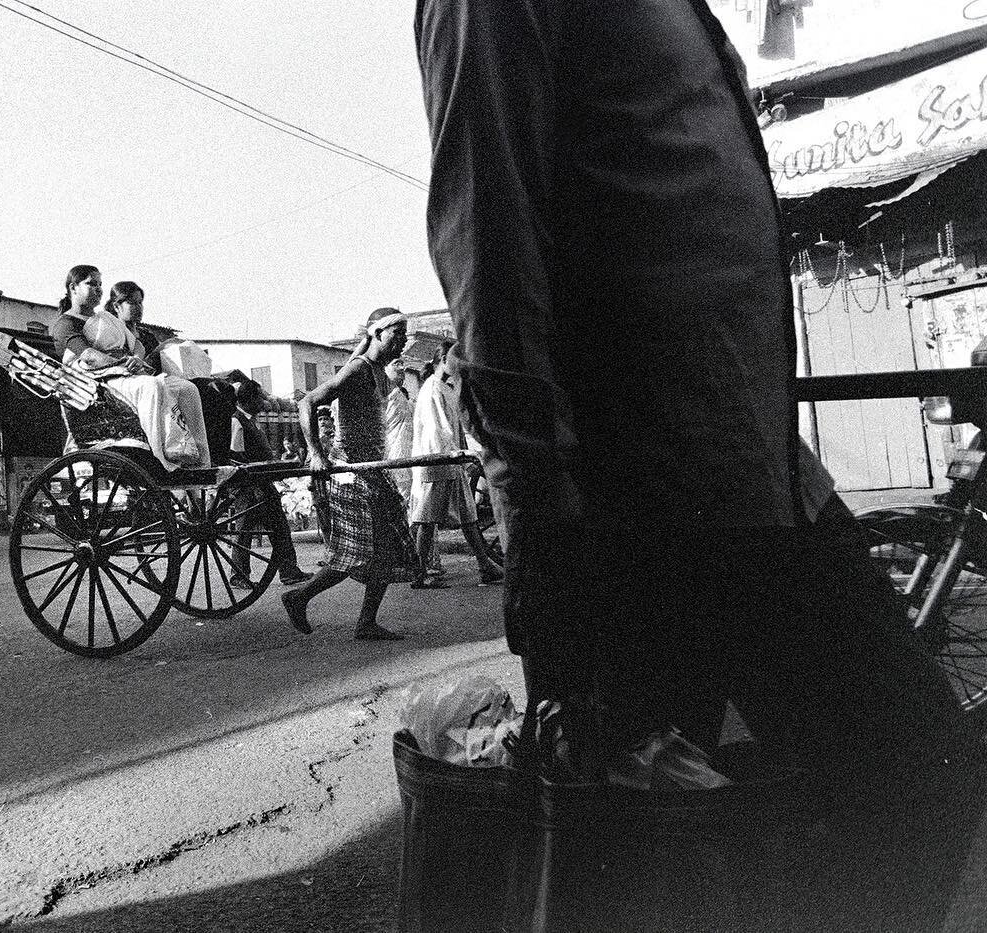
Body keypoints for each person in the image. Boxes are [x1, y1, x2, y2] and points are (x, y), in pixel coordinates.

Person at [415, 0, 968, 852]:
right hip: (633, 511)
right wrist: (543, 529)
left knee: (909, 776)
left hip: (760, 477)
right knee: (647, 855)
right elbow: (490, 243)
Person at [282, 308, 419, 641]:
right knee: (352, 553)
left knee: (386, 549)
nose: (401, 341)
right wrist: (315, 453)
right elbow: (309, 402)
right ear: (376, 333)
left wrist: (366, 344)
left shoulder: (375, 370)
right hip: (350, 472)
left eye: (404, 334)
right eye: (395, 333)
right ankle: (298, 596)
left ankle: (366, 623)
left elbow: (364, 355)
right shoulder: (358, 370)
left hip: (373, 470)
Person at [49, 265, 211, 470]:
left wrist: (135, 359)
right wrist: (121, 365)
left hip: (126, 373)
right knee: (151, 386)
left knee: (188, 389)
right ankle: (161, 458)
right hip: (98, 383)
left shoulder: (107, 319)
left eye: (100, 284)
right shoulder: (66, 323)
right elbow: (88, 355)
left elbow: (138, 346)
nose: (98, 289)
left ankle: (201, 461)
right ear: (73, 287)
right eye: (91, 283)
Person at [409, 342, 504, 588]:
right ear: (444, 361)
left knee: (468, 514)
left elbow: (458, 426)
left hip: (453, 460)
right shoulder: (431, 389)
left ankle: (485, 566)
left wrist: (467, 452)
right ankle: (419, 573)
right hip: (435, 460)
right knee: (427, 519)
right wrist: (458, 452)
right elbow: (437, 430)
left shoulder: (447, 388)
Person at [226, 380, 310, 587]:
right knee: (244, 531)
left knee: (280, 526)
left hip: (261, 480)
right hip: (247, 484)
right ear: (250, 399)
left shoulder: (251, 420)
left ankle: (289, 570)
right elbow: (236, 456)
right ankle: (238, 575)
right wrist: (255, 476)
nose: (264, 402)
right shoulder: (237, 421)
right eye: (260, 398)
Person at [105, 281, 160, 368]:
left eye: (140, 302)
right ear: (116, 307)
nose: (139, 307)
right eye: (132, 303)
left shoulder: (148, 337)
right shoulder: (113, 337)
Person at [383, 357, 414, 500]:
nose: (402, 368)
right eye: (396, 363)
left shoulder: (402, 397)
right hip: (393, 455)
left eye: (402, 364)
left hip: (408, 455)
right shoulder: (382, 396)